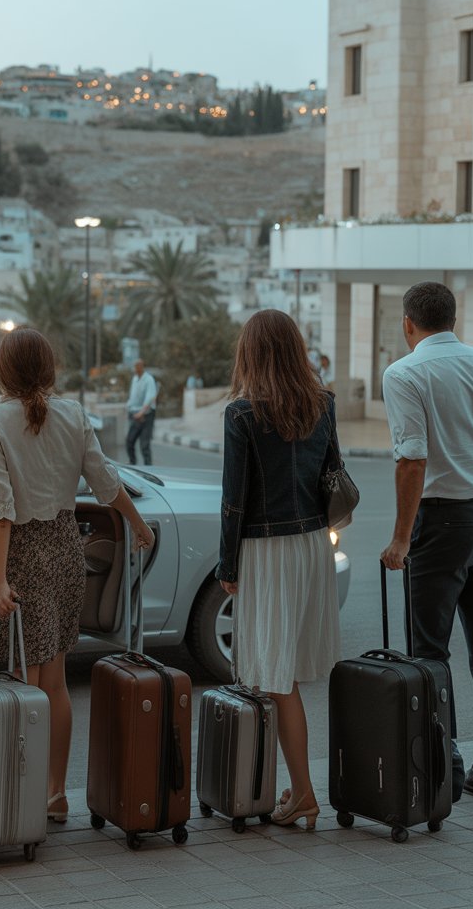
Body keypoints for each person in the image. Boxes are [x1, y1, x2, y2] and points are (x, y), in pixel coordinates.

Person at [0, 328, 155, 824]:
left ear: (3, 371)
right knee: (53, 683)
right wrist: (137, 526)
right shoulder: (72, 415)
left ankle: (20, 795)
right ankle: (54, 793)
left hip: (22, 553)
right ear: (49, 368)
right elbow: (106, 482)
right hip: (64, 548)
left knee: (20, 685)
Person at [380, 281, 473, 805]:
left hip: (445, 523)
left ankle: (444, 767)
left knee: (429, 650)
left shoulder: (405, 373)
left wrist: (401, 538)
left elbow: (412, 461)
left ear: (408, 323)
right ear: (452, 317)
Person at [216, 309, 341, 830]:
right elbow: (334, 476)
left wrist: (228, 563)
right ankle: (292, 787)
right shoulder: (323, 404)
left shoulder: (242, 413)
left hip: (265, 548)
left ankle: (304, 793)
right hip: (312, 543)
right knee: (282, 675)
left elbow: (234, 500)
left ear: (250, 351)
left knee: (276, 675)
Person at [125, 359, 157, 465]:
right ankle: (132, 463)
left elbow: (150, 398)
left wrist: (141, 413)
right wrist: (128, 406)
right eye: (134, 366)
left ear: (141, 367)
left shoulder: (149, 379)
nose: (135, 368)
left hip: (146, 416)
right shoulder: (134, 379)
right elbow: (133, 397)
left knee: (144, 445)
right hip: (135, 414)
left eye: (137, 366)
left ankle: (149, 469)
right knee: (129, 442)